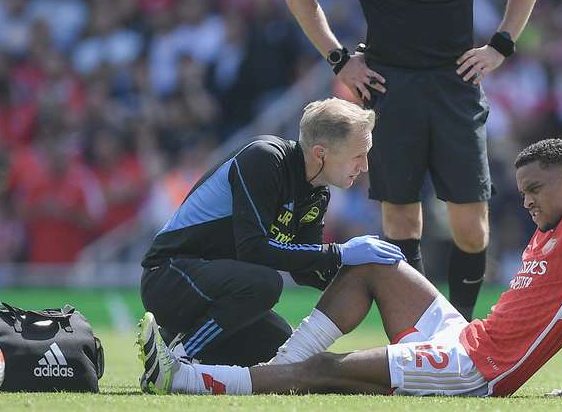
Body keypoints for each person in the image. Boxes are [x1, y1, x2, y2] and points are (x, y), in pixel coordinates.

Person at [285, 0, 544, 320]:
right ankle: (420, 331)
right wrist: (341, 59)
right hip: (390, 86)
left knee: (473, 225)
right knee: (401, 219)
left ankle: (463, 327)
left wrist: (500, 46)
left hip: (456, 84)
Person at [138, 138, 562, 399]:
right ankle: (276, 368)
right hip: (465, 337)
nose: (526, 201)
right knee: (374, 262)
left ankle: (185, 380)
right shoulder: (554, 231)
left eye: (536, 190)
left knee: (321, 371)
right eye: (523, 192)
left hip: (475, 369)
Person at [139, 98, 405, 367]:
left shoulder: (318, 193)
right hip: (167, 277)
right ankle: (175, 359)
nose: (365, 166)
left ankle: (178, 336)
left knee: (286, 354)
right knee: (265, 284)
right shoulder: (265, 159)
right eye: (358, 155)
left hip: (212, 289)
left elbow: (306, 269)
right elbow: (254, 249)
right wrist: (342, 252)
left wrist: (364, 276)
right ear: (320, 153)